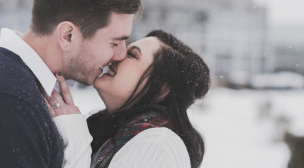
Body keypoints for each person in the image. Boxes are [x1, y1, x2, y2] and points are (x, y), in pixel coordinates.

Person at [0, 0, 143, 167]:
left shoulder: (20, 89)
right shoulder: (13, 100)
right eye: (114, 43)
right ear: (68, 35)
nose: (121, 55)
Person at [45, 30, 211, 168]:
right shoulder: (118, 135)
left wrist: (74, 137)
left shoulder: (158, 146)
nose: (117, 57)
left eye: (132, 55)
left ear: (161, 88)